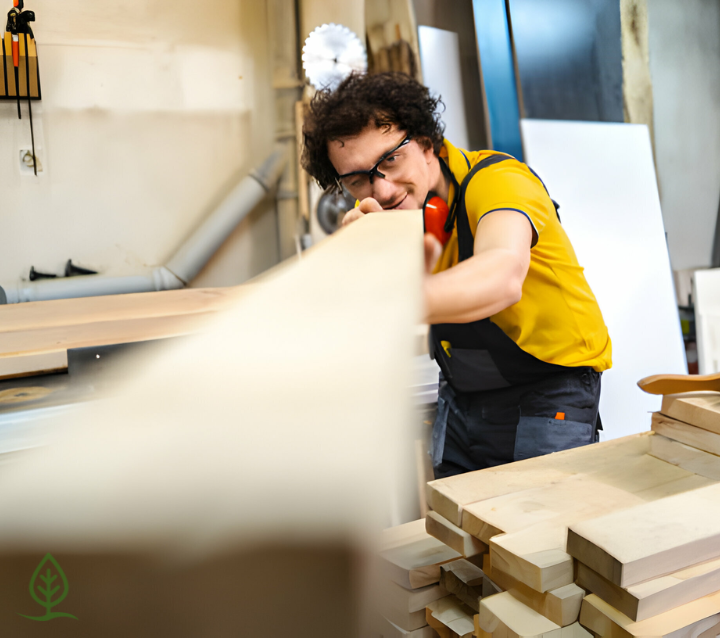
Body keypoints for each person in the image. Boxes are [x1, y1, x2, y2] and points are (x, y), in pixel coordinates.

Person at [301, 72, 612, 479]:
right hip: (463, 395)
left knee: (537, 535)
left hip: (550, 388)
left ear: (427, 144)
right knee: (458, 530)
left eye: (390, 160)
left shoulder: (500, 182)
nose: (383, 189)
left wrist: (385, 298)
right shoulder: (397, 216)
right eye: (358, 179)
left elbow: (501, 276)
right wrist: (365, 257)